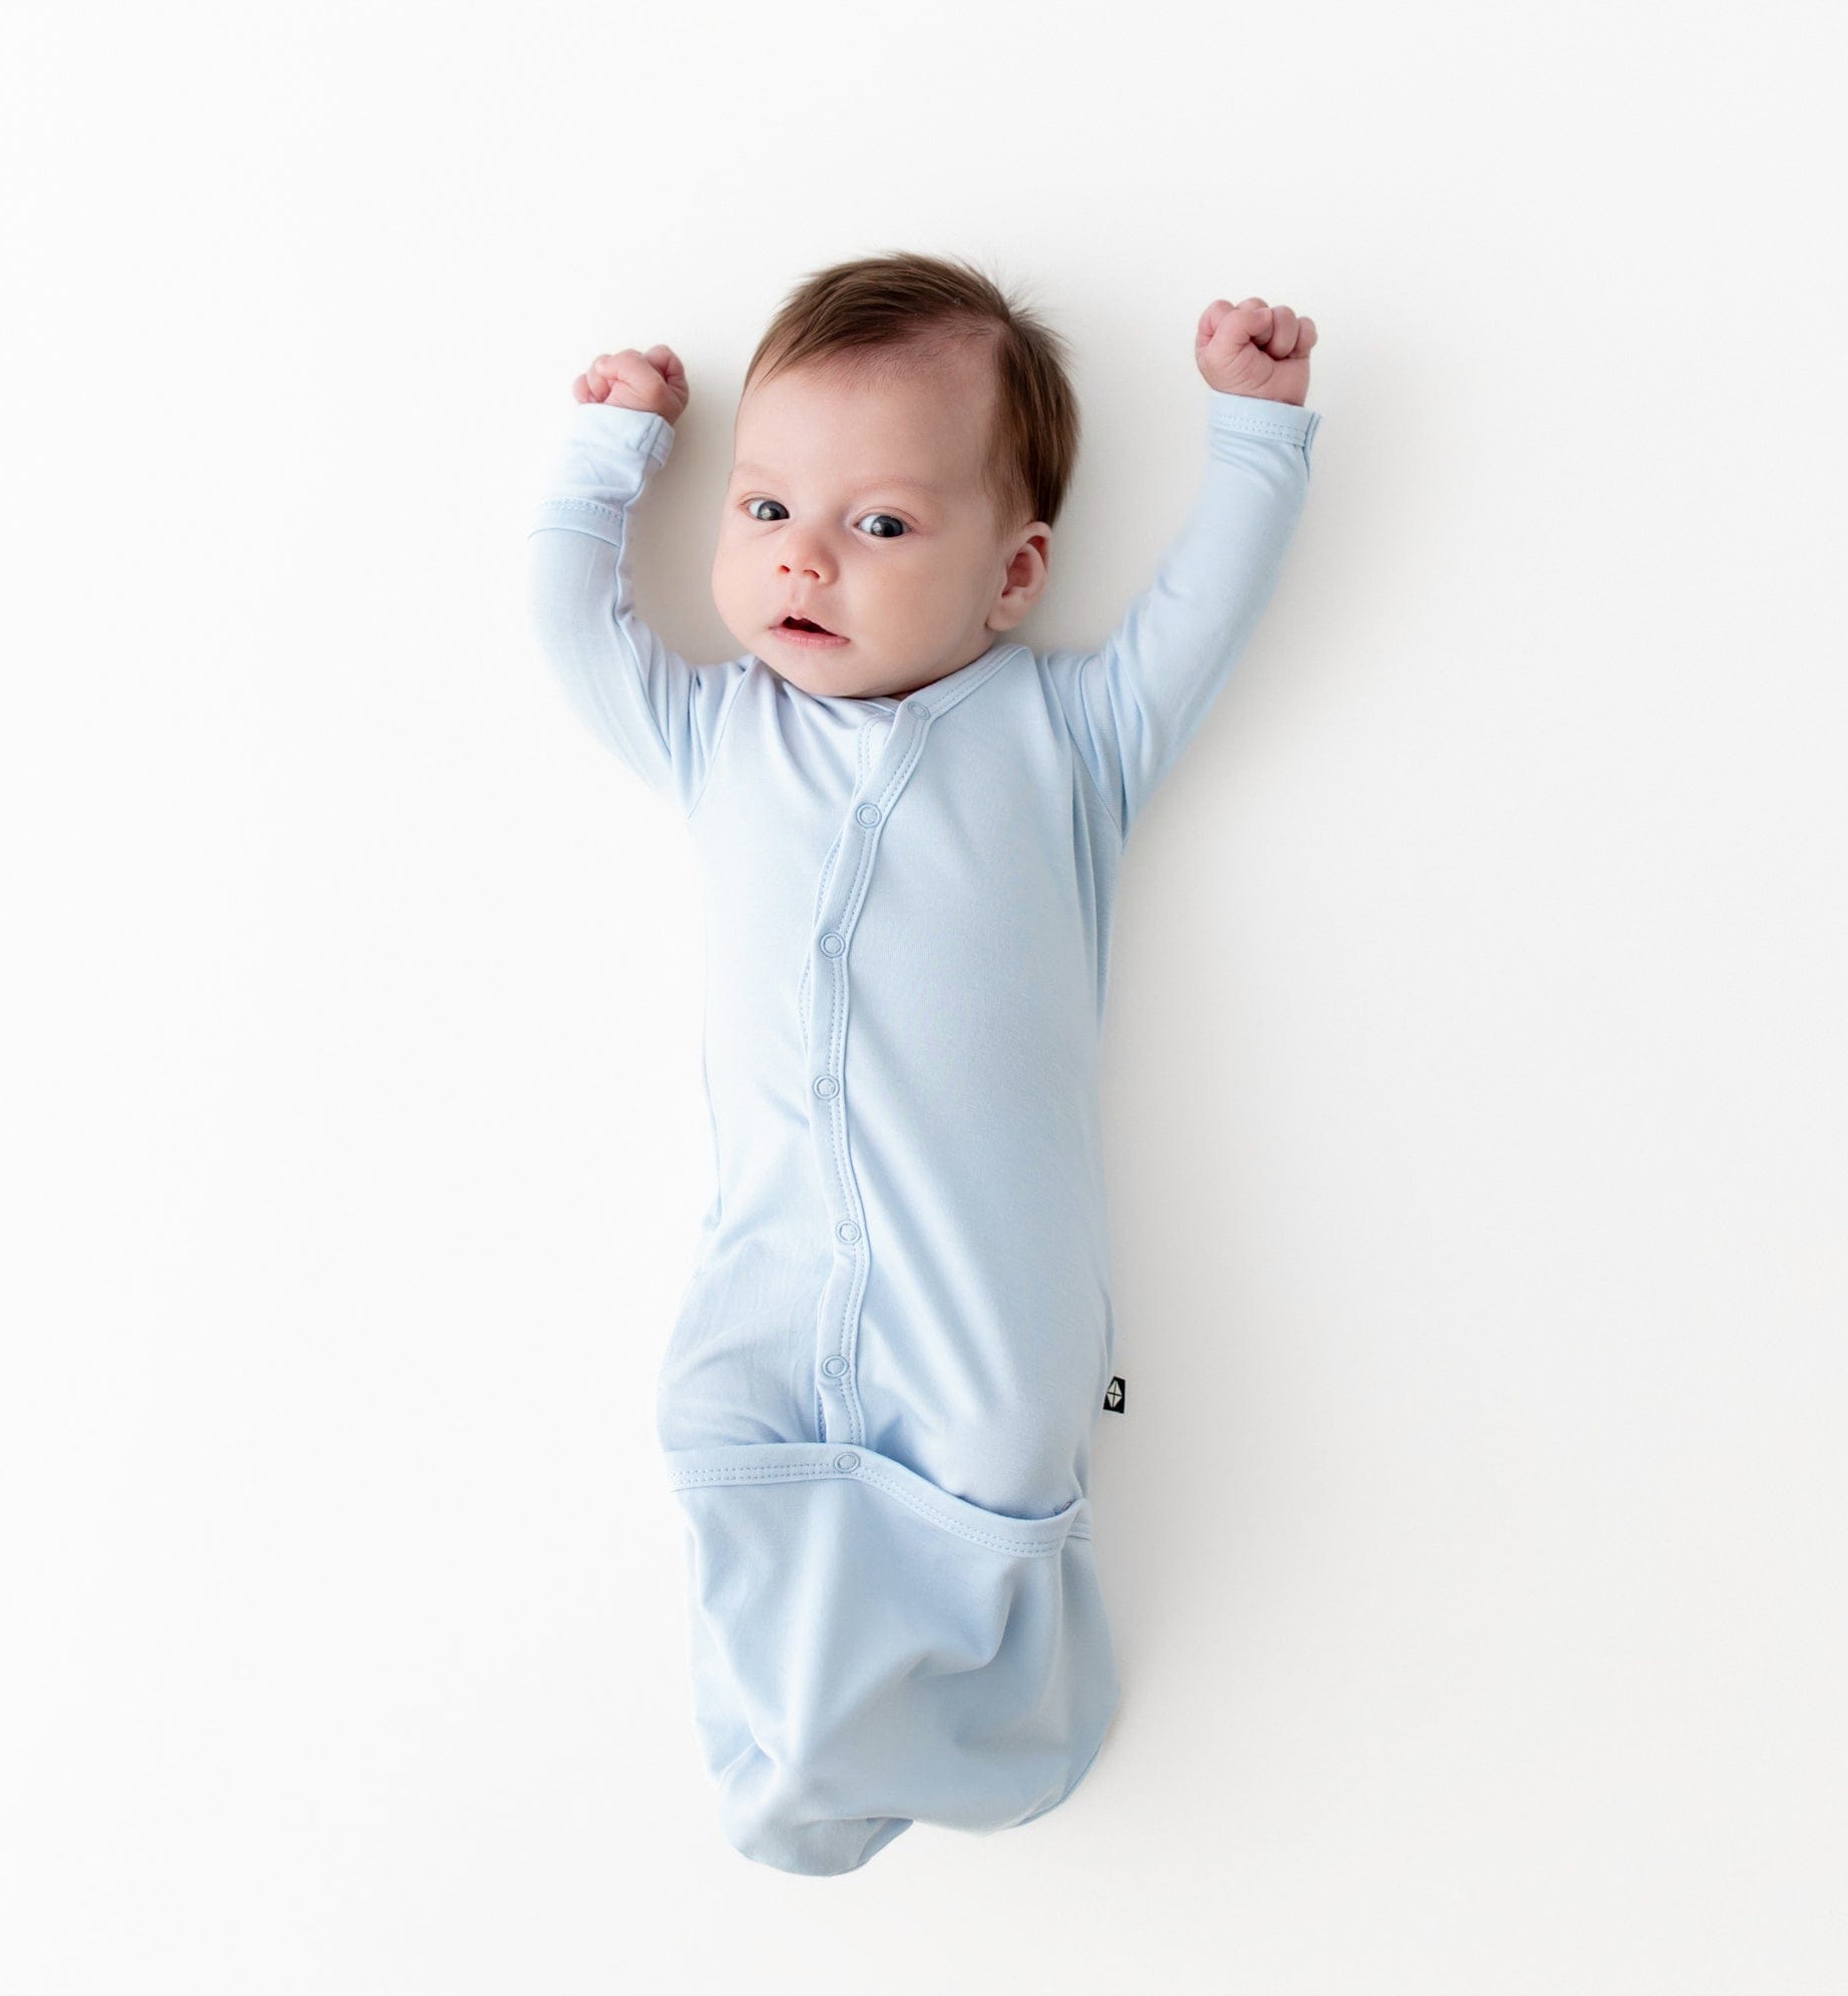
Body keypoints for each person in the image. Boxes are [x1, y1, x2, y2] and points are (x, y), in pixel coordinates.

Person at [525, 251, 1321, 1874]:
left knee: (991, 1474)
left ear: (1015, 573)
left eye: (879, 525)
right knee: (718, 1433)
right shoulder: (718, 733)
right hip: (769, 1267)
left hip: (990, 1294)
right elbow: (569, 626)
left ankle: (996, 1720)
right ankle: (793, 1761)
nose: (802, 558)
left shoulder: (1068, 741)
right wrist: (610, 456)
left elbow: (1202, 613)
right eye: (761, 513)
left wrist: (1258, 433)